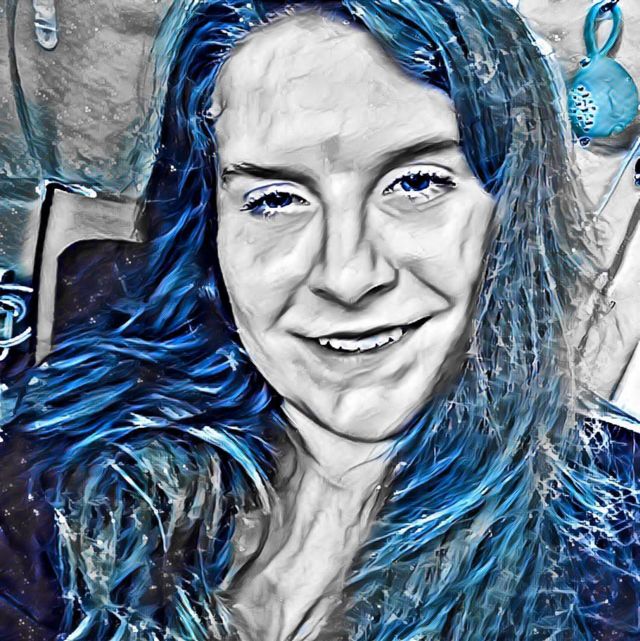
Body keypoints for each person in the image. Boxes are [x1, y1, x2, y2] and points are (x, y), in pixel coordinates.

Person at [1, 1, 638, 640]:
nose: (346, 275)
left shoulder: (616, 546)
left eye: (416, 183)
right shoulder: (68, 462)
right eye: (276, 199)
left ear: (513, 213)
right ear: (210, 232)